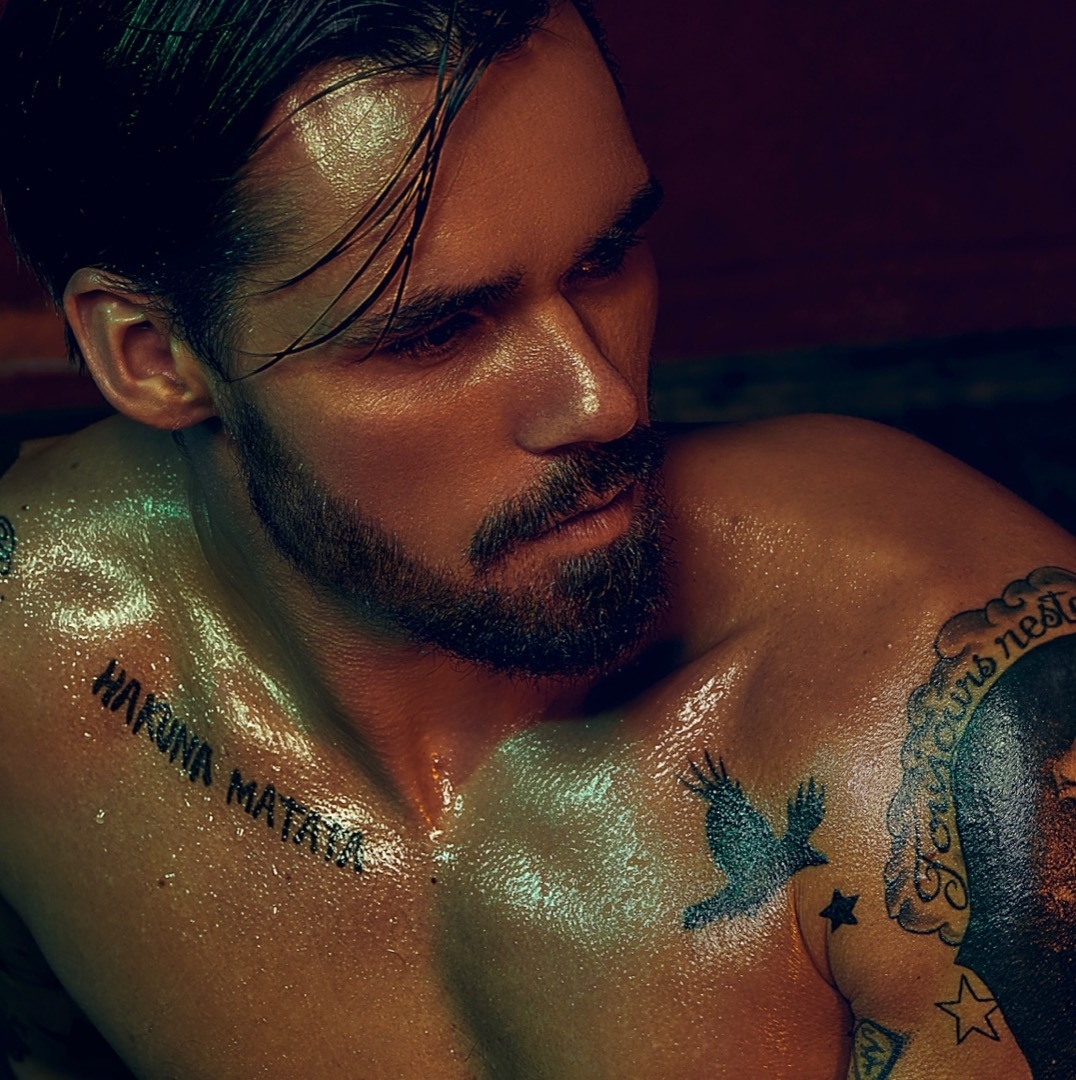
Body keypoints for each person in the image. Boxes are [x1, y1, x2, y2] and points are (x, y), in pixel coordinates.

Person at [0, 1, 1073, 1076]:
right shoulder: (33, 652)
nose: (600, 401)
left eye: (604, 259)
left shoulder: (936, 719)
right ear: (152, 357)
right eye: (435, 332)